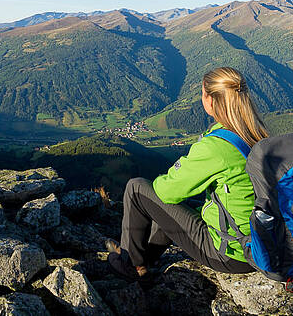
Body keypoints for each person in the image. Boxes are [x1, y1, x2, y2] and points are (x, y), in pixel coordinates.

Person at [106, 66, 269, 279]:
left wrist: (176, 172)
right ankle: (146, 259)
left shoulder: (216, 147)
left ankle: (129, 264)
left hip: (230, 254)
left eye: (202, 93)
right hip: (258, 245)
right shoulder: (257, 134)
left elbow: (166, 192)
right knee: (180, 207)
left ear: (210, 100)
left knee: (137, 188)